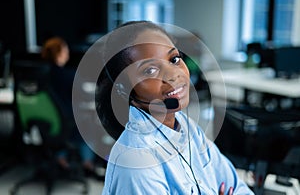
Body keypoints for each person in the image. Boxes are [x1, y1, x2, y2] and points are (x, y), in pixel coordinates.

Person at [95, 21, 254, 194]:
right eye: (150, 71)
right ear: (124, 88)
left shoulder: (189, 129)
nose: (173, 75)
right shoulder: (137, 161)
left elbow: (238, 188)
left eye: (174, 59)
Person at [41, 36, 104, 181]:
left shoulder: (42, 73)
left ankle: (61, 158)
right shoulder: (68, 75)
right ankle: (87, 163)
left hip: (49, 123)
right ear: (60, 53)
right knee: (89, 124)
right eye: (65, 49)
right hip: (67, 122)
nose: (67, 53)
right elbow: (86, 94)